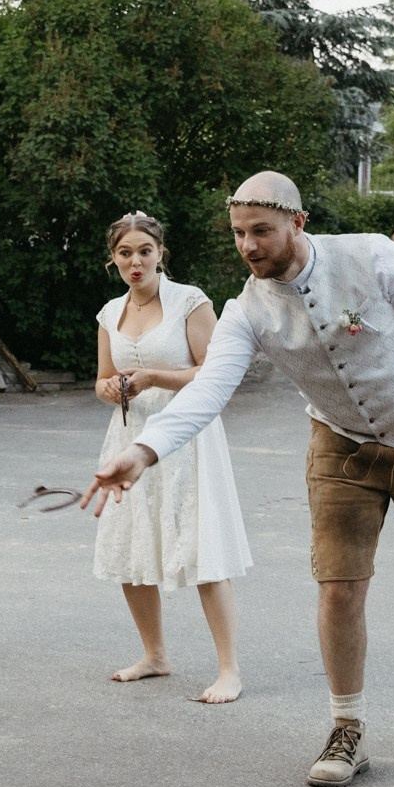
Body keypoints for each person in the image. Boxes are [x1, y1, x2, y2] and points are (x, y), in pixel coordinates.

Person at [83, 171, 394, 785]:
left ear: (297, 223)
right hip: (340, 444)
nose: (248, 246)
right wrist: (142, 452)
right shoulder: (245, 311)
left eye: (261, 231)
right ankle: (346, 728)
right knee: (338, 585)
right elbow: (211, 389)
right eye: (239, 234)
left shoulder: (374, 255)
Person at [91, 211, 252, 704]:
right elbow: (100, 382)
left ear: (161, 253)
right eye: (125, 253)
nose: (135, 262)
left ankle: (229, 669)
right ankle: (155, 654)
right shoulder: (109, 313)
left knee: (202, 547)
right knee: (131, 547)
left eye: (144, 251)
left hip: (187, 436)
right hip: (130, 435)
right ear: (112, 260)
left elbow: (214, 372)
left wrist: (155, 377)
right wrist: (113, 387)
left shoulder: (190, 301)